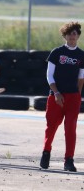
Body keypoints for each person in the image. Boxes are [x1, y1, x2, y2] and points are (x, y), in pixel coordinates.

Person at [39, 22, 84, 172]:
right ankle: (46, 153)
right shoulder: (56, 53)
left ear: (78, 36)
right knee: (51, 127)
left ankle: (69, 160)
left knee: (70, 128)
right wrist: (56, 92)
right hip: (56, 96)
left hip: (73, 97)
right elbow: (49, 75)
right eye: (70, 34)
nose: (72, 36)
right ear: (65, 35)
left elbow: (81, 77)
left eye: (75, 34)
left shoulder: (81, 55)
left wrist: (77, 94)